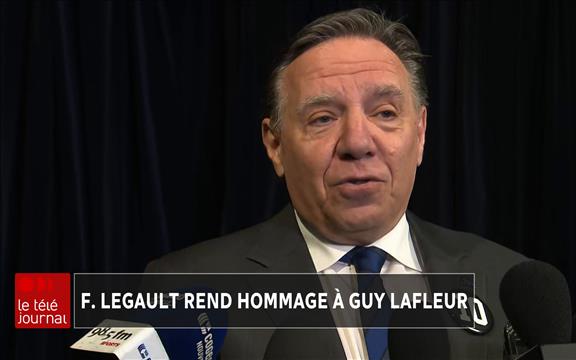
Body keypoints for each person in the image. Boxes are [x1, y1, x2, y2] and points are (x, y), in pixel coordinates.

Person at [146, 8, 526, 359]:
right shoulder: (182, 290)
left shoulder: (508, 284)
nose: (358, 143)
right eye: (323, 118)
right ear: (275, 144)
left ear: (421, 133)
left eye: (385, 113)